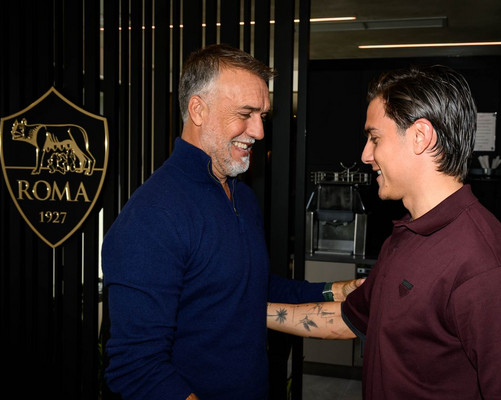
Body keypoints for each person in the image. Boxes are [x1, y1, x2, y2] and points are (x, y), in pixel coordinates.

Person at [267, 65, 501, 399]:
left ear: (420, 136)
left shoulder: (488, 269)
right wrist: (249, 312)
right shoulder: (406, 236)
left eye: (375, 138)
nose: (366, 155)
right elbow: (349, 319)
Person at [101, 44, 362, 400]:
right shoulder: (152, 216)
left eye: (262, 115)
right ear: (198, 110)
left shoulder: (242, 196)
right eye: (245, 113)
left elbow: (246, 286)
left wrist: (334, 290)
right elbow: (136, 369)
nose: (259, 131)